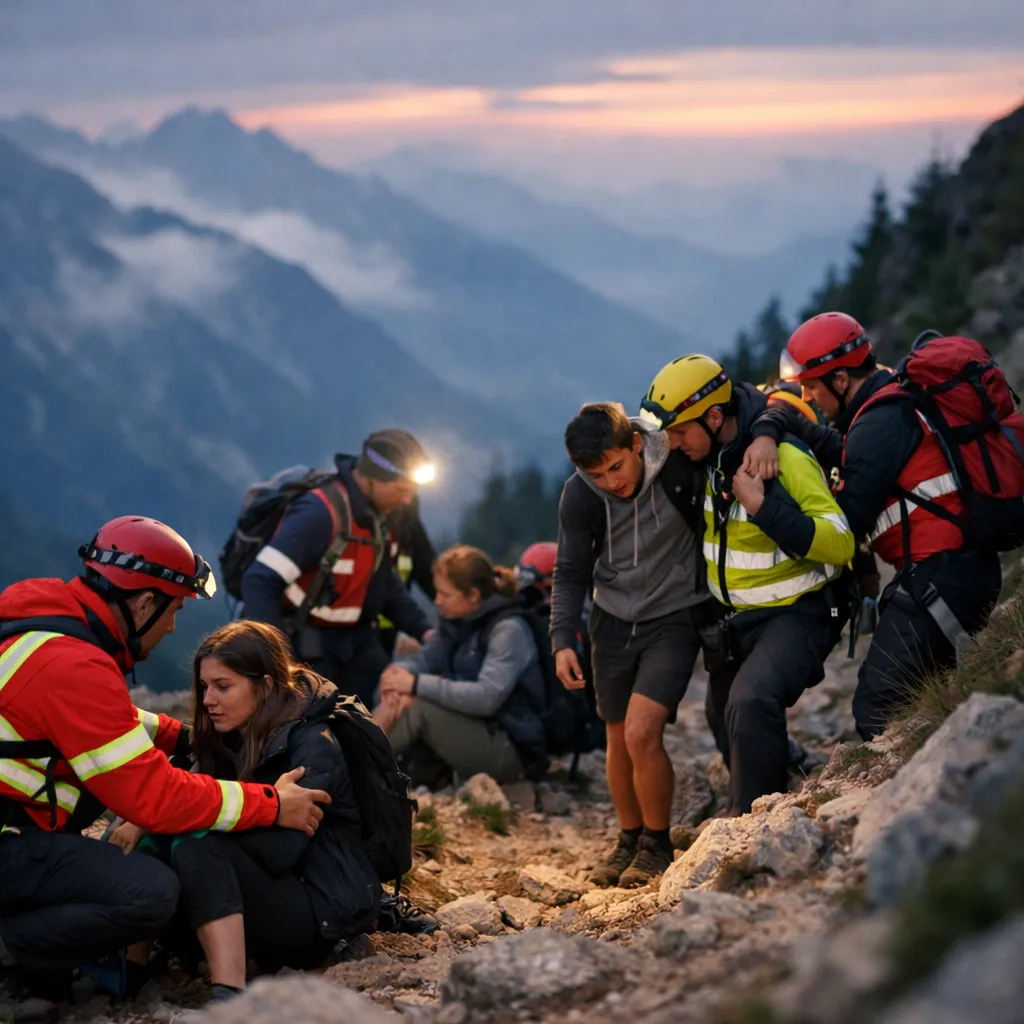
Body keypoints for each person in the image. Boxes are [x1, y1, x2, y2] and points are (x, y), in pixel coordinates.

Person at [0, 517, 329, 992]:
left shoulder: (42, 627)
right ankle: (13, 943)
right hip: (10, 841)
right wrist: (271, 805)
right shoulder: (75, 665)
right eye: (173, 609)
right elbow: (155, 798)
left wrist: (189, 738)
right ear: (144, 603)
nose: (174, 625)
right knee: (150, 893)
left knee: (101, 787)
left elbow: (104, 722)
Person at [550, 402, 780, 887]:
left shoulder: (676, 461)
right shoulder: (579, 495)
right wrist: (560, 639)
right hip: (611, 620)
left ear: (635, 444)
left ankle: (656, 843)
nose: (611, 481)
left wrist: (767, 436)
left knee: (641, 731)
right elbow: (569, 570)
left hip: (675, 615)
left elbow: (740, 412)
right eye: (597, 473)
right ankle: (628, 838)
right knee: (616, 736)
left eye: (616, 466)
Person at [111, 621, 379, 1003]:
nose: (208, 700)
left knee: (197, 842)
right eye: (205, 687)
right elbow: (185, 796)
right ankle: (129, 970)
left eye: (223, 686)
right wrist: (147, 819)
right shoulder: (230, 736)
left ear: (265, 686)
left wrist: (217, 808)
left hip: (312, 914)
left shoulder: (314, 748)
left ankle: (229, 995)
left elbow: (280, 853)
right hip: (252, 899)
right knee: (157, 833)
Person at [641, 355, 854, 814]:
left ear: (715, 417)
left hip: (799, 610)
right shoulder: (708, 457)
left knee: (751, 700)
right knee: (722, 715)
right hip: (737, 619)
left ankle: (746, 830)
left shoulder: (786, 458)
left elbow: (840, 544)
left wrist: (762, 508)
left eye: (679, 432)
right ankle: (778, 778)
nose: (672, 445)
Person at [778, 312, 1004, 737]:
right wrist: (794, 426)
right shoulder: (887, 403)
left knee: (879, 704)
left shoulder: (877, 423)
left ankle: (930, 789)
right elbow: (857, 455)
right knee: (916, 692)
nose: (808, 396)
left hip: (942, 577)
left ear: (840, 380)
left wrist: (767, 507)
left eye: (811, 386)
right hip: (957, 570)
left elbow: (843, 529)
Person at [241, 429, 434, 707]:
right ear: (370, 478)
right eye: (401, 490)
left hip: (356, 642)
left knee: (385, 707)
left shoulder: (378, 518)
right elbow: (259, 581)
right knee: (316, 732)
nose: (406, 501)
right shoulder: (319, 513)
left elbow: (386, 586)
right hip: (308, 643)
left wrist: (426, 632)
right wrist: (278, 662)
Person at [375, 546, 546, 788]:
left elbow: (486, 698)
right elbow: (424, 660)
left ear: (473, 595)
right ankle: (351, 760)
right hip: (475, 728)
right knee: (397, 693)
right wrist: (398, 676)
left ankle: (351, 766)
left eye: (445, 595)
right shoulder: (455, 621)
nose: (437, 601)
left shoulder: (508, 631)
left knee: (418, 706)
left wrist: (415, 684)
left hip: (511, 747)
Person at [379, 495, 437, 659]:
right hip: (355, 630)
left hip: (392, 625)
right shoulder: (360, 519)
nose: (405, 496)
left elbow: (428, 572)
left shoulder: (409, 526)